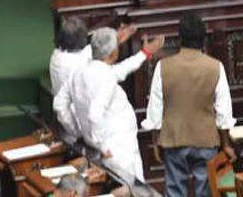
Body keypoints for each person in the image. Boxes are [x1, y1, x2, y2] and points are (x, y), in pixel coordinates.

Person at [54, 27, 163, 185]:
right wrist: (103, 145)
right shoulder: (105, 77)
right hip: (117, 150)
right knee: (130, 191)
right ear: (113, 53)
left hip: (100, 145)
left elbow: (59, 103)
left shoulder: (80, 71)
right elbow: (94, 114)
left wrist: (76, 130)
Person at [144, 13, 236, 197]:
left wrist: (156, 140)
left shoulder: (163, 66)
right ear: (203, 40)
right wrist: (226, 143)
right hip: (206, 140)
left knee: (175, 190)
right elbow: (223, 112)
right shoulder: (215, 67)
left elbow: (155, 109)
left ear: (179, 39)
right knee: (205, 191)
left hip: (173, 139)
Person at [50, 18, 148, 96]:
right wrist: (144, 53)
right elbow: (117, 72)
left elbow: (89, 51)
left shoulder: (58, 54)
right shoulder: (80, 68)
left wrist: (115, 39)